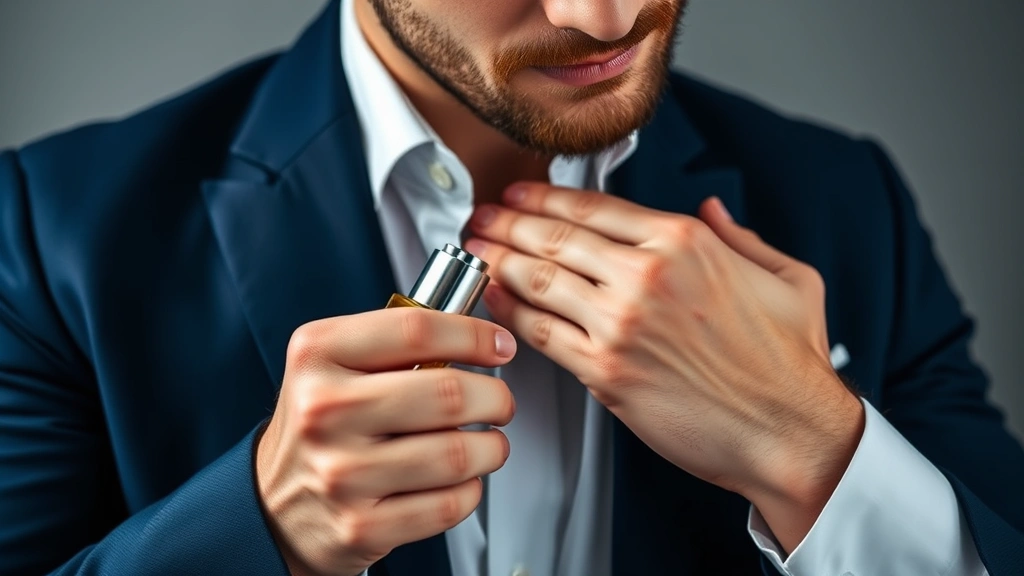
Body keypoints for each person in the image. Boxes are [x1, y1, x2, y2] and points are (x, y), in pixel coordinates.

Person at [0, 0, 1021, 574]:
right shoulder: (51, 231)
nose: (607, 14)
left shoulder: (851, 204)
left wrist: (813, 451)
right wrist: (262, 532)